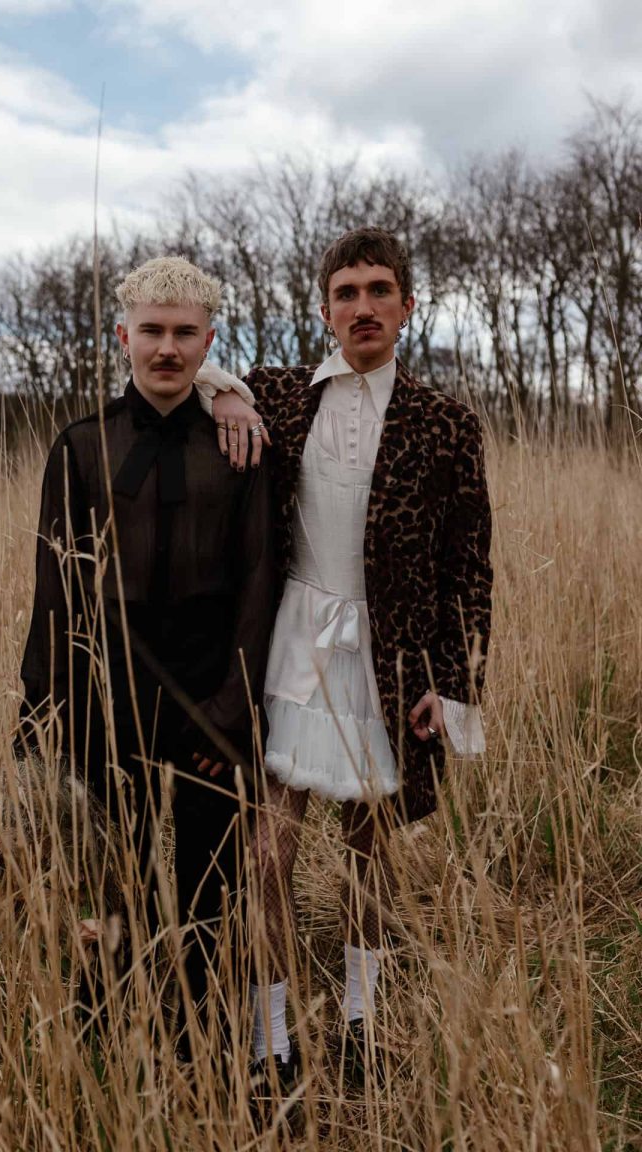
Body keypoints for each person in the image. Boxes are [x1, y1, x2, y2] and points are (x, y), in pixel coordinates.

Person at [203, 226, 494, 1090]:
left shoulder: (446, 424)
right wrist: (225, 396)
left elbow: (469, 567)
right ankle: (272, 1040)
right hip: (289, 641)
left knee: (370, 850)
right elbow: (192, 376)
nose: (363, 306)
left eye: (379, 291)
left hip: (388, 658)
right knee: (267, 856)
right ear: (325, 310)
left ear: (408, 306)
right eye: (346, 293)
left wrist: (454, 687)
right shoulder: (280, 395)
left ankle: (363, 1023)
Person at [16, 256, 274, 1050]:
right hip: (106, 702)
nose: (168, 348)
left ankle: (203, 1048)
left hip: (210, 701)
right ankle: (106, 1049)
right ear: (123, 336)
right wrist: (41, 718)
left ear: (210, 343)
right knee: (108, 886)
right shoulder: (82, 446)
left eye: (185, 333)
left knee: (210, 893)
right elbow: (56, 592)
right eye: (152, 331)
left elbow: (260, 585)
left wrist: (232, 713)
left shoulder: (241, 444)